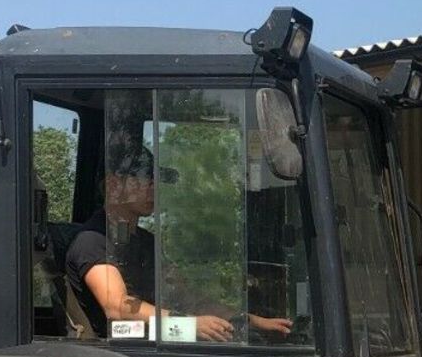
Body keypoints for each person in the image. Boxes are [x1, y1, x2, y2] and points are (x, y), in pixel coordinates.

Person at [65, 143, 290, 343]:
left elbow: (185, 296)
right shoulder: (91, 242)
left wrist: (249, 321)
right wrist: (188, 326)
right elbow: (117, 307)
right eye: (146, 179)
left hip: (153, 347)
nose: (154, 188)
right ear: (113, 185)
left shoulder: (146, 242)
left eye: (156, 181)